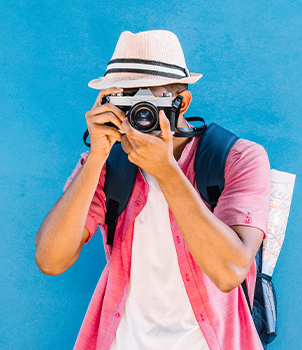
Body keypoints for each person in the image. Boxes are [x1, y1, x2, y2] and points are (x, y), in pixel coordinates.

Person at [34, 30, 270, 350]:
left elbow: (230, 272)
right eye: (127, 101)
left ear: (181, 102)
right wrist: (97, 157)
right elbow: (50, 260)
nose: (138, 116)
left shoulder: (238, 159)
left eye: (148, 102)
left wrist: (166, 172)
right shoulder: (106, 163)